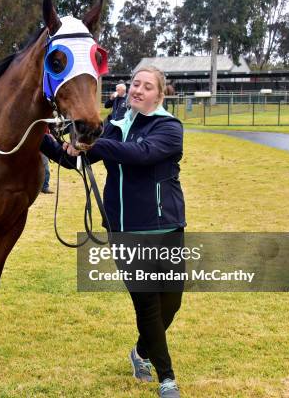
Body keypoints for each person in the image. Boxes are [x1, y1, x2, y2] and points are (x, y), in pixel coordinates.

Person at [41, 66, 185, 398]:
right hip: (124, 231)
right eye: (135, 83)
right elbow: (73, 161)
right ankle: (167, 379)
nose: (138, 90)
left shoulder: (169, 128)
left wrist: (92, 145)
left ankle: (141, 351)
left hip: (167, 227)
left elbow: (142, 154)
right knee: (147, 305)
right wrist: (45, 141)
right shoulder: (115, 129)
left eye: (147, 86)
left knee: (171, 305)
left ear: (159, 95)